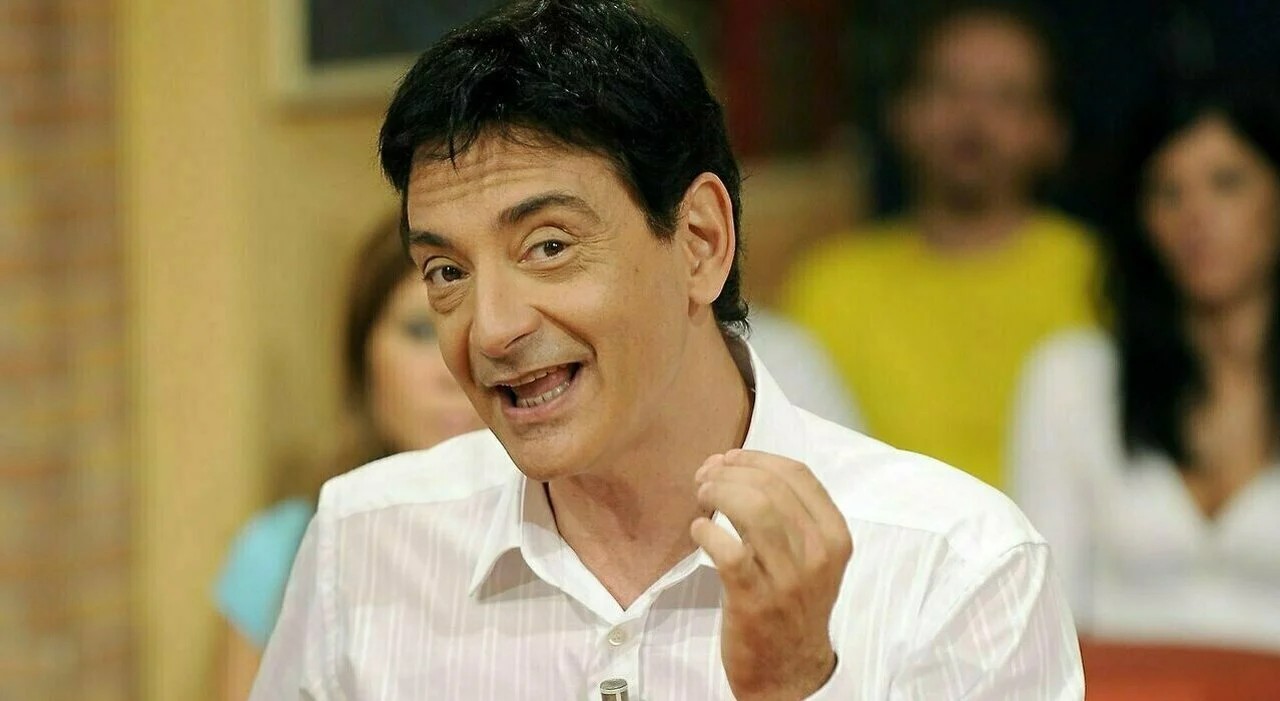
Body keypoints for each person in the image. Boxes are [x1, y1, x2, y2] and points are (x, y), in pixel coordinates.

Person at [251, 2, 1083, 698]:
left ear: (700, 241)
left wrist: (794, 686)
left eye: (548, 246)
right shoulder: (367, 540)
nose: (492, 328)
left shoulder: (956, 570)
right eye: (446, 271)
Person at [1010, 76, 1280, 653]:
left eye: (1226, 183)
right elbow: (1040, 616)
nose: (1195, 215)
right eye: (1167, 192)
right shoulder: (1072, 378)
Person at [783, 0, 1098, 490]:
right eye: (948, 89)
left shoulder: (1098, 274)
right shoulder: (832, 285)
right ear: (900, 113)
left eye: (1007, 97)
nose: (973, 119)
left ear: (1052, 131)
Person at [213, 215, 482, 699]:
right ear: (362, 356)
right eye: (421, 331)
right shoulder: (287, 547)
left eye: (474, 328)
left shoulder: (578, 530)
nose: (452, 370)